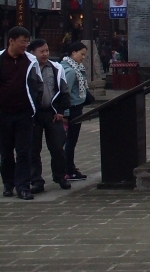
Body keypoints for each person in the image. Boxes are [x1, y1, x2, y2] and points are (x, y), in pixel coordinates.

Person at [0, 27, 43, 200]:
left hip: (24, 113)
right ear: (11, 40)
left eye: (27, 41)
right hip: (3, 113)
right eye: (22, 41)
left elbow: (38, 85)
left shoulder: (30, 61)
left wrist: (35, 106)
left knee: (24, 151)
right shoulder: (1, 59)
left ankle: (23, 186)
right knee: (6, 152)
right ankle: (8, 184)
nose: (25, 45)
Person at [29, 39, 71, 193]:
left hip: (52, 113)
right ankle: (36, 181)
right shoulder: (28, 69)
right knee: (33, 149)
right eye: (42, 51)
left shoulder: (55, 67)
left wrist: (61, 111)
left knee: (57, 147)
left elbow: (64, 91)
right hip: (34, 114)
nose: (45, 54)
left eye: (47, 50)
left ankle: (60, 176)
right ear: (32, 53)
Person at [61, 41, 90, 180]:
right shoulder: (71, 71)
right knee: (70, 141)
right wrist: (65, 113)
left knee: (71, 141)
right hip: (72, 109)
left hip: (76, 107)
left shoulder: (77, 68)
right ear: (73, 53)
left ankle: (69, 167)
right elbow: (64, 93)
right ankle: (68, 169)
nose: (83, 57)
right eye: (81, 54)